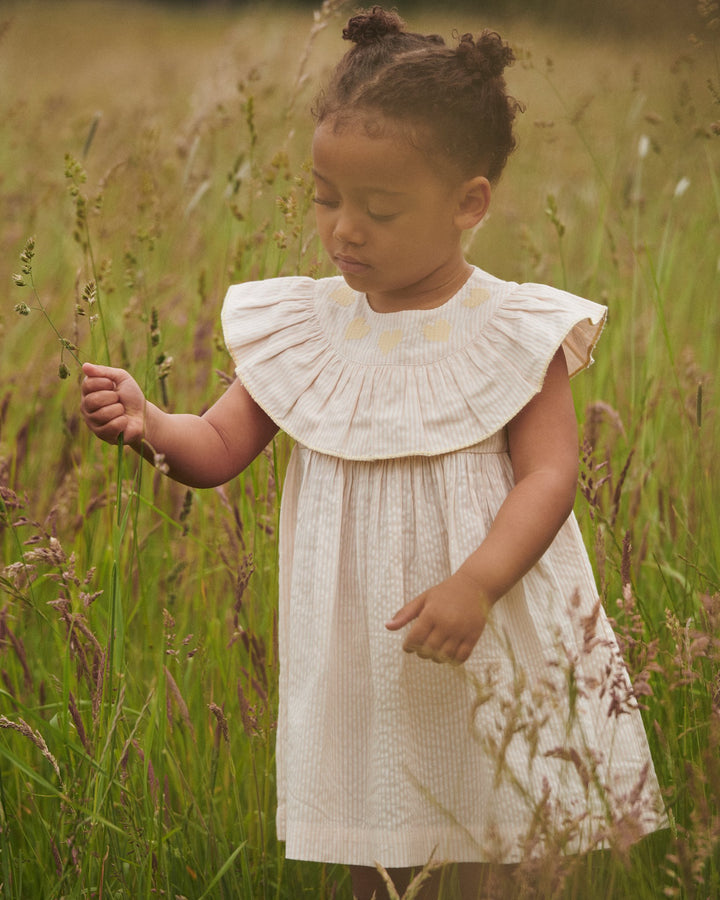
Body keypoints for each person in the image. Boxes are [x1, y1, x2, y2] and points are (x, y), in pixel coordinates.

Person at [81, 8, 666, 898]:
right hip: (366, 658)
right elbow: (219, 446)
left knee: (507, 841)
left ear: (469, 203)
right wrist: (150, 423)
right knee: (382, 843)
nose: (344, 229)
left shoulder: (514, 330)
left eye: (378, 208)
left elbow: (552, 476)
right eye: (326, 198)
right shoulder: (307, 330)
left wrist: (477, 583)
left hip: (492, 630)